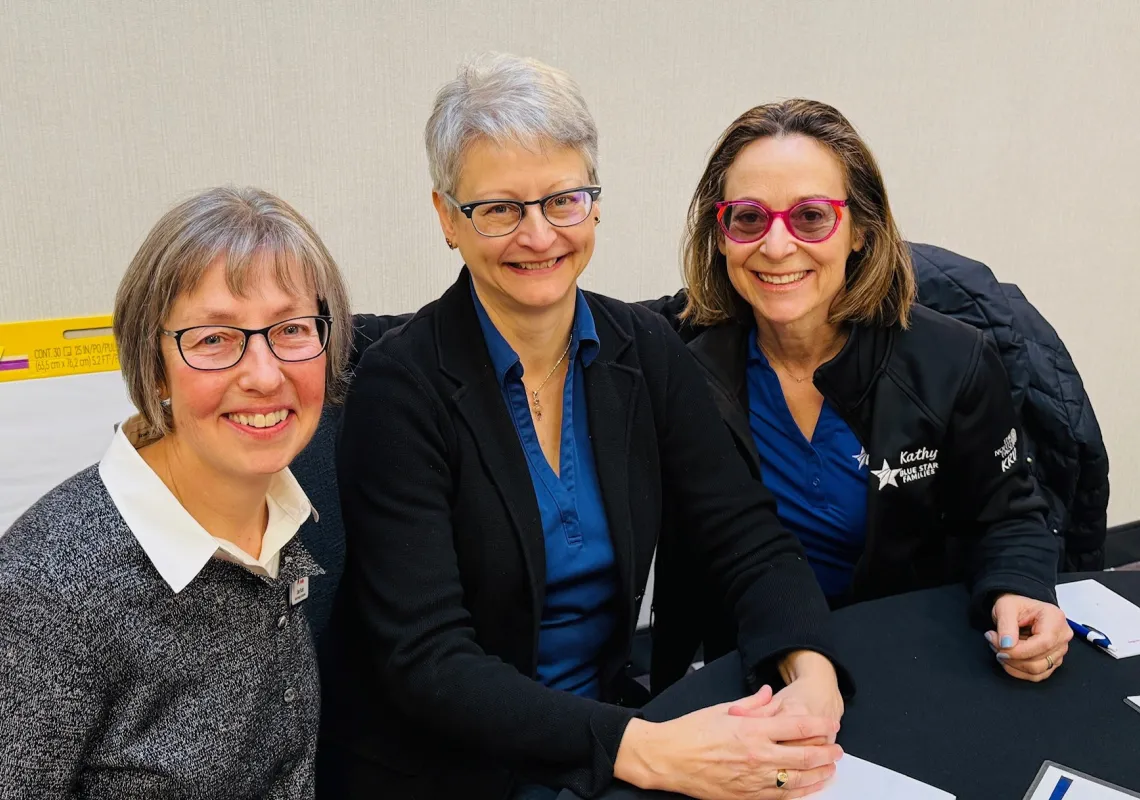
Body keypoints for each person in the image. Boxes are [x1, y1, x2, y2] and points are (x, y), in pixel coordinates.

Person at [318, 54, 849, 800]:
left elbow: (746, 537)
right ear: (447, 220)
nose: (538, 236)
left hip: (603, 739)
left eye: (562, 200)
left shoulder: (646, 351)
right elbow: (427, 659)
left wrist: (811, 672)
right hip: (449, 766)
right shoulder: (400, 388)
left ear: (594, 205)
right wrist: (646, 749)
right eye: (499, 208)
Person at [657, 98, 1071, 689]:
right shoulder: (679, 360)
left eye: (811, 217)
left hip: (910, 655)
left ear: (860, 231)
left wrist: (1023, 591)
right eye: (748, 217)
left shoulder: (951, 362)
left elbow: (1007, 514)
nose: (776, 247)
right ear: (720, 236)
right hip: (751, 666)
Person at [0, 186, 352, 798]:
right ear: (155, 367)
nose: (265, 374)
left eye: (292, 328)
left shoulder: (287, 516)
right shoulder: (49, 589)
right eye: (214, 338)